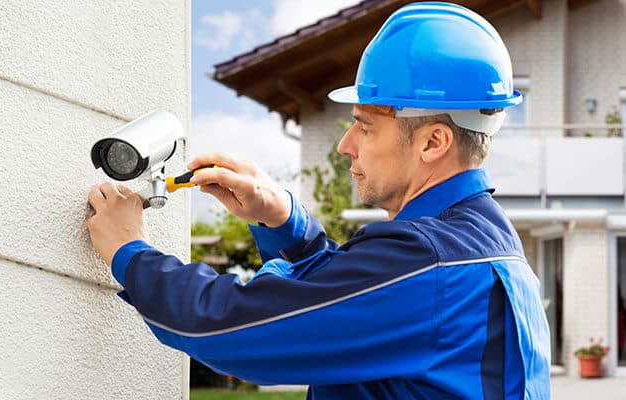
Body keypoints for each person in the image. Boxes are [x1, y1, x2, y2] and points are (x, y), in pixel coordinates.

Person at [86, 2, 550, 399]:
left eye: (365, 126)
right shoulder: (483, 248)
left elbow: (227, 327)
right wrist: (283, 221)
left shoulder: (429, 264)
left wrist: (131, 250)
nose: (346, 145)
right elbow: (351, 305)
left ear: (433, 142)